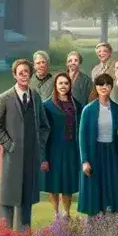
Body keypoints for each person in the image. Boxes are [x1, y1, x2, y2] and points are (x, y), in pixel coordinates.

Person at [0, 58, 50, 231]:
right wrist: (10, 145)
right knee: (7, 198)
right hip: (12, 157)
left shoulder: (35, 96)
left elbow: (45, 126)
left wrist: (39, 146)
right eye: (20, 72)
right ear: (14, 75)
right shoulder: (4, 98)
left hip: (31, 157)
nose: (24, 75)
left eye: (26, 72)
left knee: (26, 199)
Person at [77, 73, 118, 216]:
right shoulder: (88, 109)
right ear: (96, 87)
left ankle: (111, 218)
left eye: (107, 84)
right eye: (100, 84)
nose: (104, 87)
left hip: (111, 152)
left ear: (111, 87)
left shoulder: (117, 109)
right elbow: (82, 137)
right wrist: (84, 160)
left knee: (112, 185)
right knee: (94, 186)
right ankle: (93, 221)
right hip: (94, 152)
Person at [40, 71, 82, 218]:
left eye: (66, 83)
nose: (63, 86)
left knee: (68, 184)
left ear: (70, 85)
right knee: (54, 183)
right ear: (55, 85)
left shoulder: (77, 105)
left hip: (71, 150)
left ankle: (67, 213)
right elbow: (42, 133)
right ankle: (56, 213)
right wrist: (43, 157)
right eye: (60, 83)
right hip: (53, 150)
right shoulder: (47, 106)